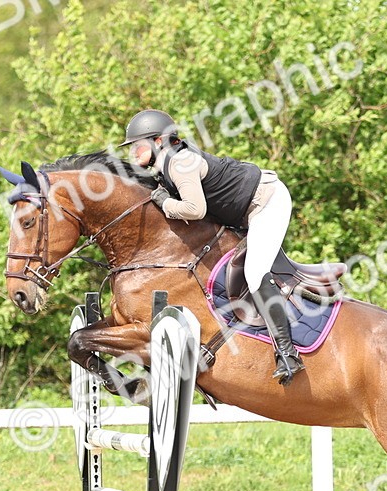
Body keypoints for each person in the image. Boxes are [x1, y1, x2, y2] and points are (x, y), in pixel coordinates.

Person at [119, 109, 304, 385]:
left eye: (137, 145)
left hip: (266, 202)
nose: (133, 152)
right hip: (242, 211)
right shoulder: (165, 166)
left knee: (254, 274)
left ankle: (288, 354)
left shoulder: (181, 163)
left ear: (159, 141)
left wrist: (165, 202)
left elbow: (194, 209)